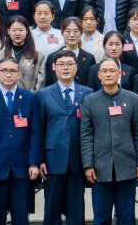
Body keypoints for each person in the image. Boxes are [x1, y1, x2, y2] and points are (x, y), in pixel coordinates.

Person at [81, 58, 138, 225]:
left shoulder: (132, 98)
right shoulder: (90, 100)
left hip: (127, 166)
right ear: (99, 75)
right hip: (100, 167)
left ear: (120, 73)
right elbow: (86, 134)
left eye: (112, 71)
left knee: (126, 217)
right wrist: (88, 165)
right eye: (104, 71)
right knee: (101, 217)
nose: (108, 74)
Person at [0, 59, 39, 225]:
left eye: (12, 71)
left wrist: (34, 162)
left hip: (22, 167)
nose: (8, 74)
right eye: (4, 70)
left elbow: (35, 134)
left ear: (19, 74)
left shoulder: (29, 98)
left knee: (21, 218)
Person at [37, 52, 88, 225]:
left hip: (77, 159)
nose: (65, 67)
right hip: (53, 159)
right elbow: (39, 129)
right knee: (52, 210)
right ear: (53, 67)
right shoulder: (43, 94)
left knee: (76, 211)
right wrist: (40, 159)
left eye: (69, 63)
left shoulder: (87, 93)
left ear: (76, 67)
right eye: (61, 64)